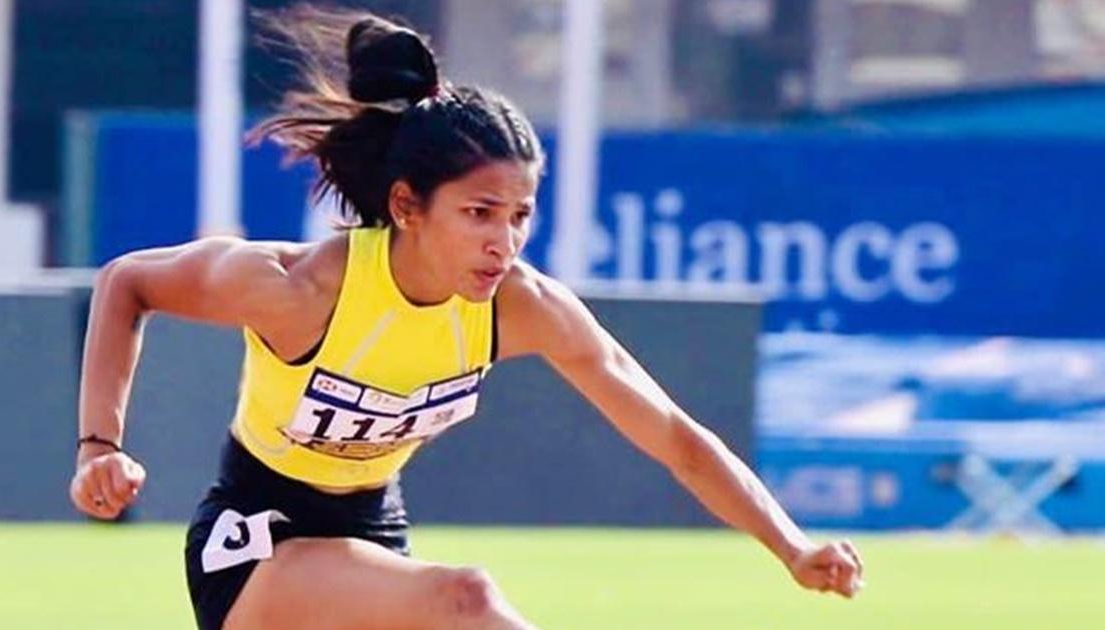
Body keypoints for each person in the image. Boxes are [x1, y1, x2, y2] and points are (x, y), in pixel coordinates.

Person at [69, 7, 864, 630]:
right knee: (468, 599)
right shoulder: (299, 290)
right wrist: (99, 445)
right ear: (407, 206)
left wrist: (791, 546)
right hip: (256, 541)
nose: (503, 242)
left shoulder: (524, 306)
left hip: (376, 534)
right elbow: (128, 282)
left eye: (520, 216)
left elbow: (676, 439)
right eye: (479, 213)